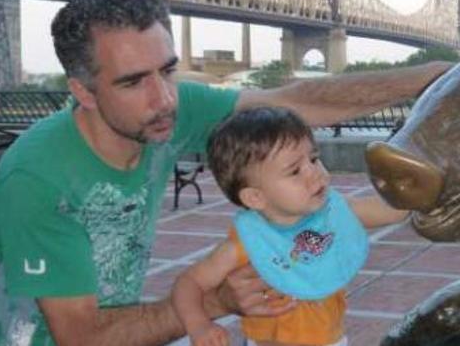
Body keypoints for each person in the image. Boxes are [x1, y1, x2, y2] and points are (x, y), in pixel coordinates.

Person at [0, 0, 451, 346]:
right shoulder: (38, 178)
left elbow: (297, 101)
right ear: (82, 92)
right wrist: (218, 303)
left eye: (169, 70)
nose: (165, 99)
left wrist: (426, 79)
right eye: (134, 82)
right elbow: (82, 338)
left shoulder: (165, 113)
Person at [172, 107, 408, 346]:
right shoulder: (247, 244)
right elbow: (189, 283)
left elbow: (393, 212)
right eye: (295, 170)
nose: (315, 173)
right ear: (255, 198)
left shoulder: (333, 211)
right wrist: (199, 326)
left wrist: (417, 190)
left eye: (314, 159)